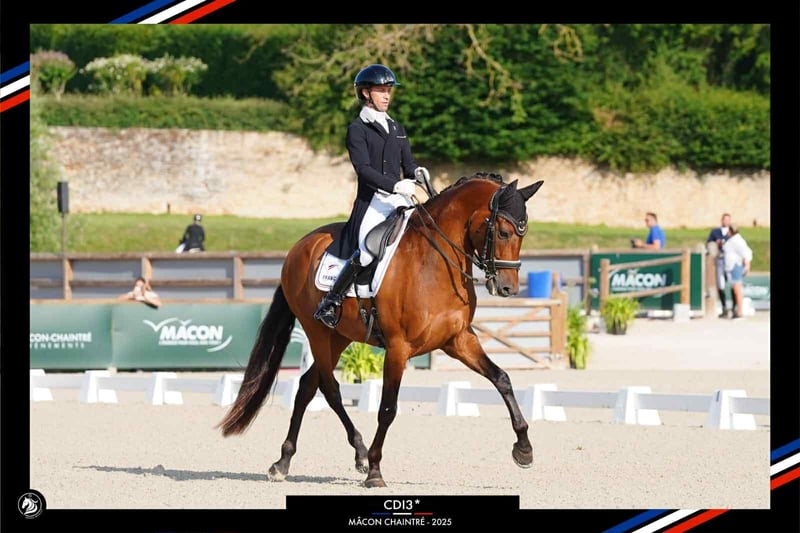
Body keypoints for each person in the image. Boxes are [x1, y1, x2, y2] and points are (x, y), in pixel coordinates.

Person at [313, 63, 429, 328]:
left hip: (399, 200)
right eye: (381, 91)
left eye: (389, 91)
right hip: (373, 202)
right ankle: (331, 301)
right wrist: (395, 185)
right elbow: (364, 170)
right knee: (367, 250)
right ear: (366, 93)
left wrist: (417, 173)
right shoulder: (358, 129)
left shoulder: (397, 127)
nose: (387, 96)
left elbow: (408, 164)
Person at [722, 223, 752, 319]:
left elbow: (746, 252)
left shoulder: (737, 241)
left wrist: (747, 265)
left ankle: (740, 312)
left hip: (735, 266)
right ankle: (736, 311)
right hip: (730, 267)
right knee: (735, 290)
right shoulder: (731, 240)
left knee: (737, 290)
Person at [706, 213, 732, 317]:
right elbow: (709, 243)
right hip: (720, 260)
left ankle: (734, 307)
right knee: (720, 284)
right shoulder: (715, 232)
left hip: (730, 260)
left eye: (728, 220)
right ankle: (724, 307)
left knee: (733, 283)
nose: (726, 221)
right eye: (724, 219)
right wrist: (716, 244)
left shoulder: (732, 233)